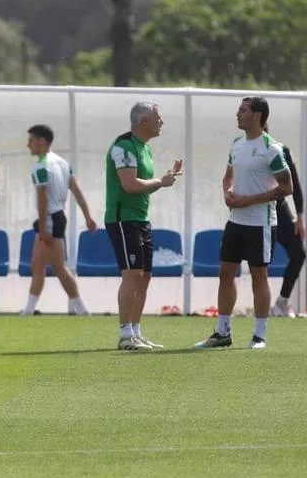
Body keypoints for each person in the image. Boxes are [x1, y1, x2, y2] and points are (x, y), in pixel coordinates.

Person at [196, 97, 293, 349]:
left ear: (257, 116)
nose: (237, 114)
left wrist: (249, 200)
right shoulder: (237, 144)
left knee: (259, 276)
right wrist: (227, 192)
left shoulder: (271, 148)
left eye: (243, 110)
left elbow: (287, 187)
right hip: (235, 222)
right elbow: (228, 177)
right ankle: (222, 332)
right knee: (225, 273)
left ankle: (259, 335)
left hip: (260, 224)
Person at [105, 102, 181, 351]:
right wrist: (162, 181)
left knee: (145, 276)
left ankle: (136, 333)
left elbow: (143, 183)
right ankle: (125, 335)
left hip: (140, 218)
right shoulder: (123, 146)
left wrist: (165, 178)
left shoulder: (145, 149)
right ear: (144, 120)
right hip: (122, 218)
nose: (162, 122)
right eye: (158, 117)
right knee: (133, 274)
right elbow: (129, 185)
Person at [21, 124, 97, 316]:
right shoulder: (63, 164)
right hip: (58, 218)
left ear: (41, 141)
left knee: (41, 267)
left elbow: (42, 197)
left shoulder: (40, 167)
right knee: (56, 267)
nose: (28, 144)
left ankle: (29, 312)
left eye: (31, 140)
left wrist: (44, 229)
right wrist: (88, 216)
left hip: (49, 219)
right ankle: (81, 310)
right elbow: (77, 190)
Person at [269, 132, 306, 318]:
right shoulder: (243, 149)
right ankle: (259, 305)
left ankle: (281, 302)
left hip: (280, 208)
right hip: (256, 210)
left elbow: (295, 184)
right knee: (257, 259)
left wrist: (299, 217)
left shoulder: (281, 150)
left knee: (299, 253)